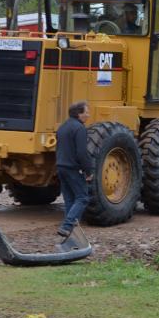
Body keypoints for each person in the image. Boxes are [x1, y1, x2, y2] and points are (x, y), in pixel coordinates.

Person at [55, 101, 93, 238]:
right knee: (82, 198)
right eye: (86, 112)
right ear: (79, 114)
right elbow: (82, 153)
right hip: (72, 168)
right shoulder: (79, 128)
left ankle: (70, 232)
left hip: (60, 167)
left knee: (70, 199)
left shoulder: (62, 127)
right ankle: (67, 226)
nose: (88, 115)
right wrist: (88, 171)